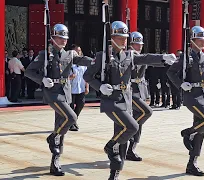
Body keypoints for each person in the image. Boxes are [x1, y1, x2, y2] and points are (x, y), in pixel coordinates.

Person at [83, 21, 176, 180]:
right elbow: (87, 76)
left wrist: (163, 58)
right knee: (131, 127)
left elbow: (145, 58)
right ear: (112, 37)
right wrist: (100, 87)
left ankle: (115, 174)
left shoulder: (129, 55)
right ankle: (110, 146)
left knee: (122, 138)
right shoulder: (103, 56)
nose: (124, 41)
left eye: (126, 37)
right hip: (111, 101)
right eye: (121, 37)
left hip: (126, 101)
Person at [25, 24, 93, 176]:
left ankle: (55, 161)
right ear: (53, 38)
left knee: (60, 126)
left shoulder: (70, 54)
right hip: (53, 93)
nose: (63, 41)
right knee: (72, 117)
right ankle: (52, 137)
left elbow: (82, 60)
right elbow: (29, 71)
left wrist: (97, 61)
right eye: (60, 38)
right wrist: (42, 79)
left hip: (66, 93)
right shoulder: (45, 54)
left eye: (65, 38)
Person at [167, 26, 204, 176]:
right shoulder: (185, 57)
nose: (203, 43)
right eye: (199, 40)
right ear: (192, 41)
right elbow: (170, 72)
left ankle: (192, 163)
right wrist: (181, 84)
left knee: (200, 131)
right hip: (191, 96)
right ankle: (187, 132)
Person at [126, 31, 153, 161]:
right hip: (131, 92)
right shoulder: (127, 56)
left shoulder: (141, 56)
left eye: (141, 44)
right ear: (131, 44)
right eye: (137, 44)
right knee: (146, 112)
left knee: (139, 119)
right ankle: (129, 131)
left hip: (140, 90)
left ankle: (131, 148)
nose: (140, 46)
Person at [69, 44, 89, 131]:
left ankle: (73, 120)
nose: (78, 52)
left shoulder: (83, 63)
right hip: (71, 88)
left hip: (80, 88)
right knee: (71, 106)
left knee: (81, 104)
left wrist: (87, 87)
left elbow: (86, 76)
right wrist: (70, 77)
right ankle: (72, 123)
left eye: (79, 51)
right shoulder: (68, 62)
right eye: (76, 51)